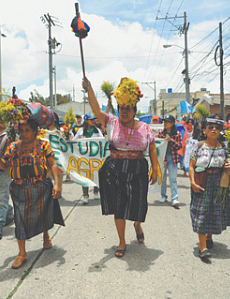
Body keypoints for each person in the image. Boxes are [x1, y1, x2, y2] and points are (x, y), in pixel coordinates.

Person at [83, 77, 159, 258]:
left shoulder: (145, 127)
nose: (124, 111)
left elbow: (153, 147)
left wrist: (155, 169)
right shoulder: (111, 122)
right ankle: (122, 241)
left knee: (139, 207)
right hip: (115, 169)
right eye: (121, 108)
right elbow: (95, 109)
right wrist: (90, 88)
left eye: (128, 108)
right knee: (119, 207)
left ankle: (137, 225)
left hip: (138, 170)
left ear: (134, 109)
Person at [0, 120, 63, 269]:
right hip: (19, 189)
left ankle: (45, 236)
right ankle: (22, 253)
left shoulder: (43, 145)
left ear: (35, 131)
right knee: (20, 219)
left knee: (42, 213)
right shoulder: (13, 147)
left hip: (41, 186)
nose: (23, 133)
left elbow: (53, 164)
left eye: (27, 130)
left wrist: (57, 183)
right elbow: (4, 165)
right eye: (21, 130)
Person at [188, 118, 230, 259]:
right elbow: (191, 165)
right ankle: (202, 247)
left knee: (214, 211)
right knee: (201, 211)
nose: (214, 129)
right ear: (204, 130)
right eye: (210, 127)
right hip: (202, 181)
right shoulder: (199, 146)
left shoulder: (224, 147)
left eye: (217, 127)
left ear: (220, 131)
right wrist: (192, 182)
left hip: (219, 182)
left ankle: (209, 236)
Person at [73, 113, 103, 204]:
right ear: (86, 121)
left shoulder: (97, 131)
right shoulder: (81, 131)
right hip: (84, 158)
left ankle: (95, 191)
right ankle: (85, 195)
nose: (93, 121)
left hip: (95, 158)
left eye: (93, 119)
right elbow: (74, 141)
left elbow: (102, 141)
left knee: (96, 174)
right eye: (91, 120)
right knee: (84, 176)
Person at [157, 114, 182, 208]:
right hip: (163, 159)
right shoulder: (160, 133)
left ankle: (175, 198)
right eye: (164, 122)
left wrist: (171, 140)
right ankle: (163, 195)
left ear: (172, 124)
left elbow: (179, 146)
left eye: (167, 122)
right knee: (162, 179)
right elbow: (157, 145)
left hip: (173, 159)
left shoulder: (177, 134)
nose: (165, 124)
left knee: (173, 179)